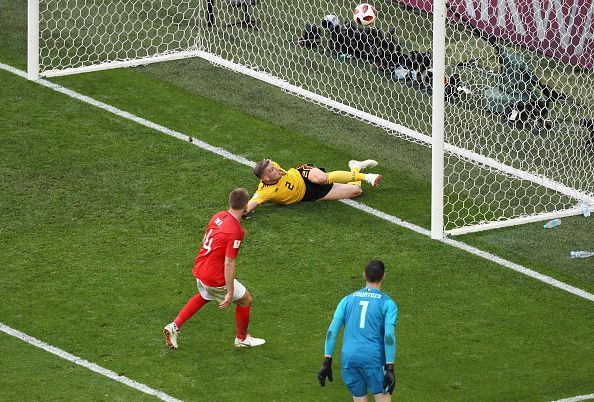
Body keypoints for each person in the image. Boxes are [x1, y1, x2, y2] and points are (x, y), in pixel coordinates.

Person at [163, 188, 265, 349]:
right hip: (214, 277)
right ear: (246, 205)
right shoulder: (236, 231)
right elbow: (229, 263)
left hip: (200, 268)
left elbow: (205, 239)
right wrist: (230, 292)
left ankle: (174, 326)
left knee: (205, 295)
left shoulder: (218, 216)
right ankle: (242, 339)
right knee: (245, 300)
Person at [317, 260, 398, 401]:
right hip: (374, 359)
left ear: (364, 275)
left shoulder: (346, 300)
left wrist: (326, 362)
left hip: (349, 359)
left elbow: (331, 332)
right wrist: (390, 367)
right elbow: (389, 336)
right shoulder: (388, 303)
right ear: (383, 276)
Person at [246, 159, 381, 214]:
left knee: (322, 178)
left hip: (302, 174)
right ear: (266, 178)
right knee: (356, 191)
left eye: (273, 166)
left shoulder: (273, 166)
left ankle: (368, 177)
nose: (276, 169)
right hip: (309, 194)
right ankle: (356, 167)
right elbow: (248, 207)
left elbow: (268, 163)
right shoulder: (264, 192)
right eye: (271, 170)